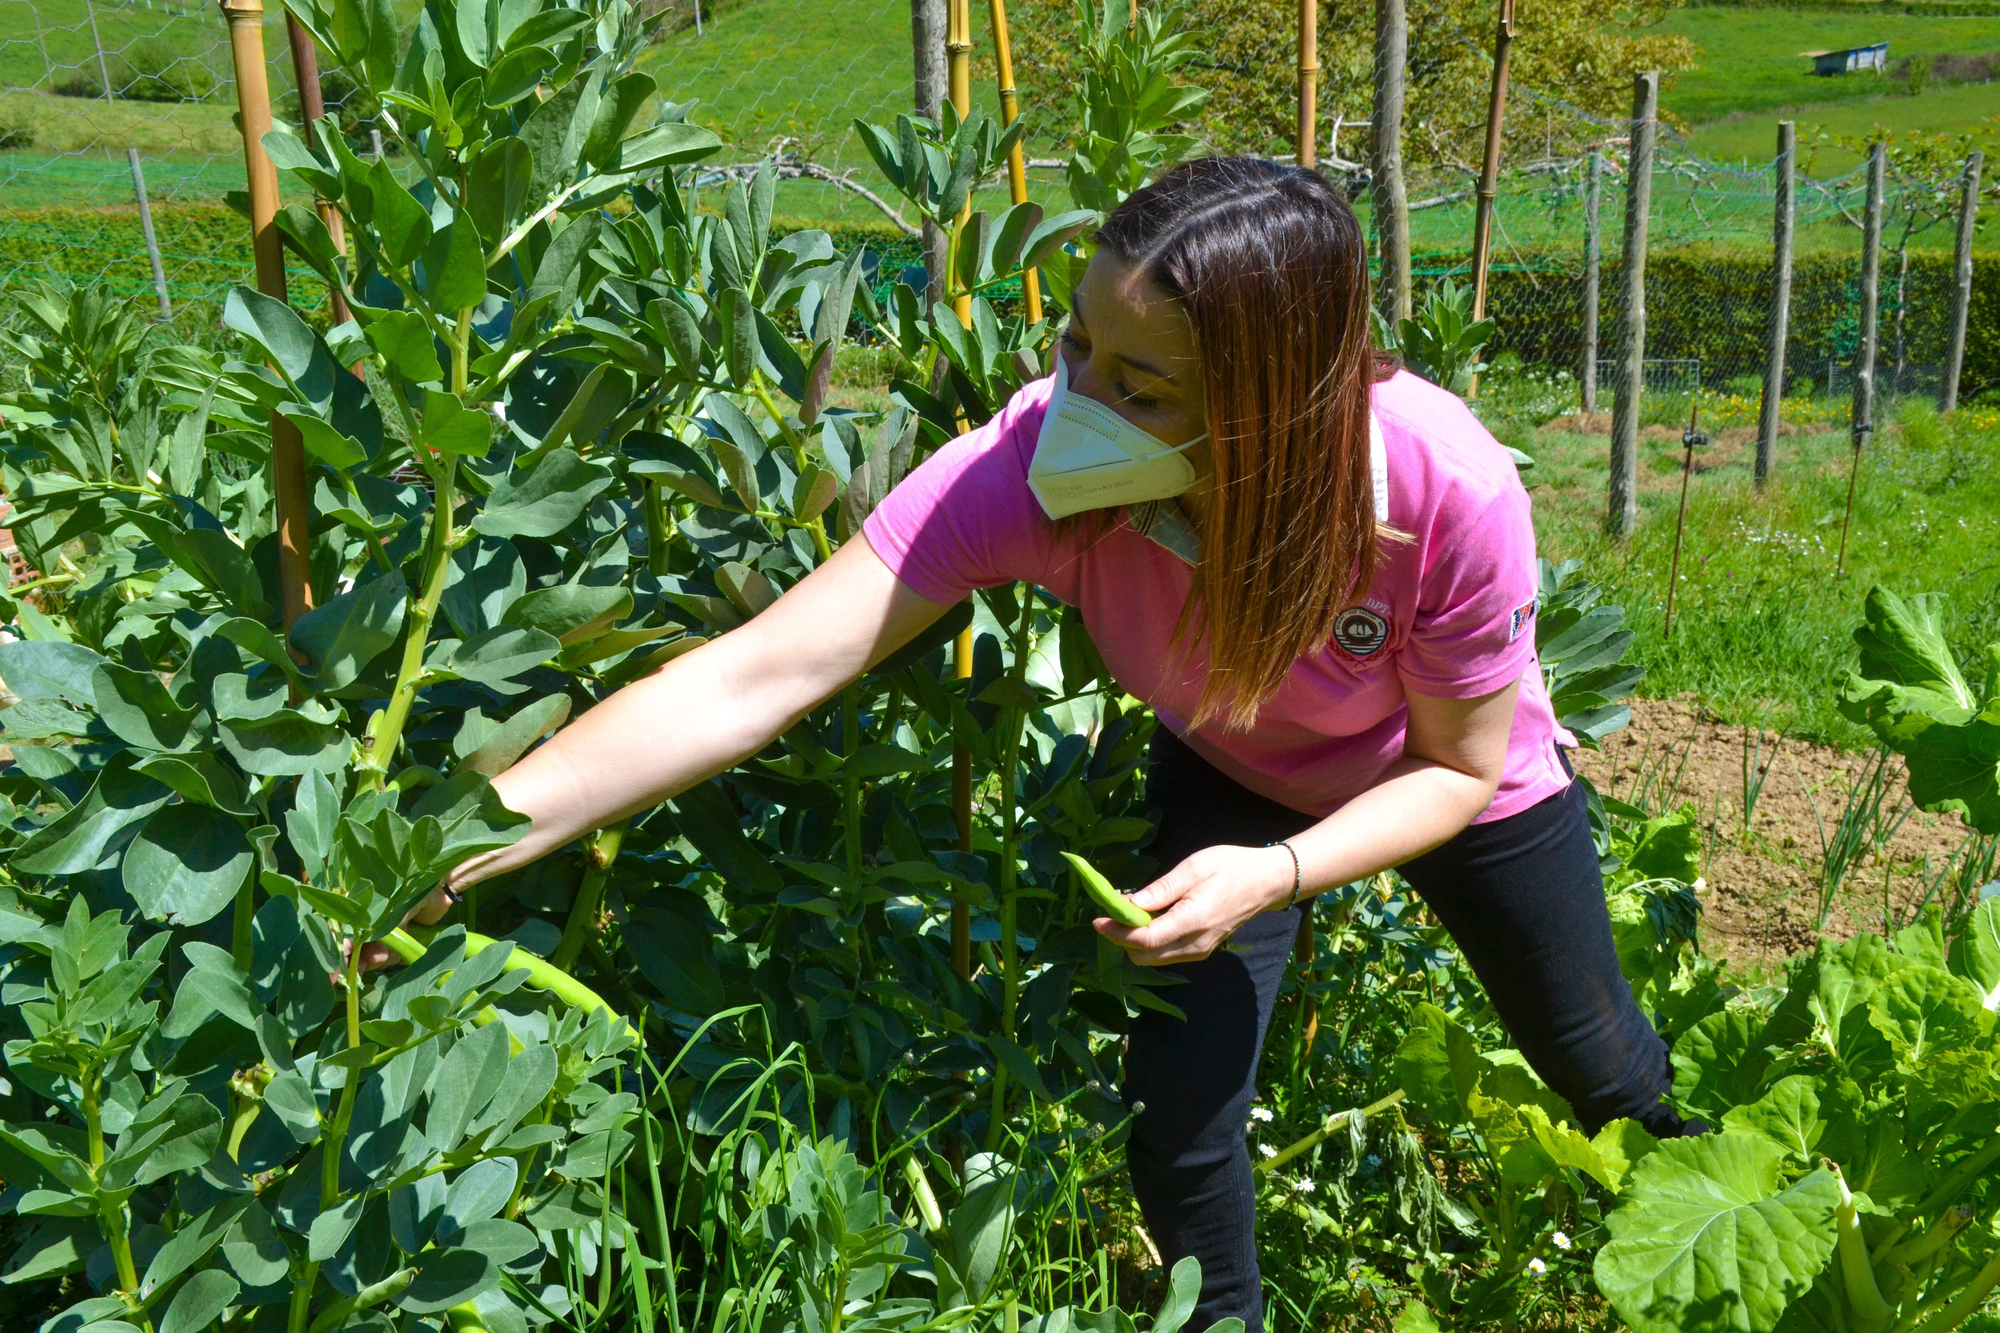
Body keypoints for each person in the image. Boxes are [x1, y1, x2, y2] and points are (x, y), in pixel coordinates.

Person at [409, 156, 1691, 1333]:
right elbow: (752, 676)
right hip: (1235, 770)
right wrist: (455, 845)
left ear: (1273, 404)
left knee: (1591, 1054)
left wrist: (1283, 872)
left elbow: (1459, 766)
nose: (1079, 398)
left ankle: (1702, 1245)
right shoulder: (1037, 473)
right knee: (1177, 1120)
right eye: (1078, 342)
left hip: (1447, 778)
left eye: (1138, 385)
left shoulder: (1440, 494)